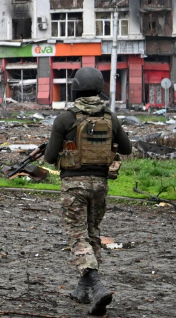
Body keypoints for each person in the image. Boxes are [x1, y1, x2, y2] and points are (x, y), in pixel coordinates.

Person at [44, 67, 132, 316]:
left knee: (77, 236)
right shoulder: (110, 117)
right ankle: (83, 290)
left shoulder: (66, 118)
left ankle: (96, 285)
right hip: (100, 186)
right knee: (92, 234)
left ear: (76, 89)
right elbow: (126, 148)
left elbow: (50, 158)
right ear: (99, 89)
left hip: (74, 186)